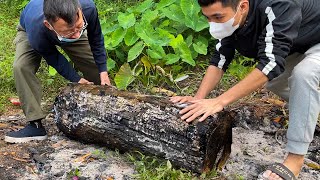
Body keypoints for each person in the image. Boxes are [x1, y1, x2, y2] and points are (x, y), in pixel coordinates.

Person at [171, 0, 320, 179]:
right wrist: (199, 98)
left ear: (242, 6)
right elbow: (220, 58)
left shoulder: (280, 5)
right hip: (301, 41)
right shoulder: (231, 20)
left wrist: (219, 101)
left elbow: (271, 64)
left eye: (218, 17)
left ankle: (295, 158)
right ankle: (310, 109)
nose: (213, 24)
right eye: (208, 18)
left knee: (304, 75)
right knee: (276, 82)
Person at [5, 0, 111, 144]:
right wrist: (76, 78)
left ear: (79, 11)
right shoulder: (36, 30)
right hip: (30, 31)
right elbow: (54, 58)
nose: (75, 35)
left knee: (94, 64)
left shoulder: (88, 8)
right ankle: (35, 124)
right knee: (21, 67)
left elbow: (96, 39)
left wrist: (103, 71)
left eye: (79, 26)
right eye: (69, 32)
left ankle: (109, 109)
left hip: (64, 27)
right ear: (49, 25)